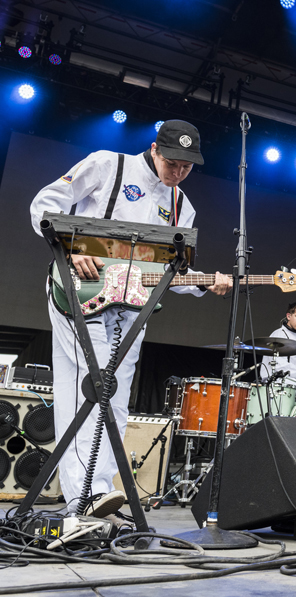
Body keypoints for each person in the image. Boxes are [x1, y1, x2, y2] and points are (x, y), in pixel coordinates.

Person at [30, 120, 231, 516]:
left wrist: (206, 282)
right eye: (172, 163)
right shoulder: (108, 164)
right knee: (87, 388)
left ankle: (100, 491)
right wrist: (69, 246)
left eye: (187, 167)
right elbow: (45, 204)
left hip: (131, 310)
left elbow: (169, 271)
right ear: (155, 149)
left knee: (116, 398)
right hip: (79, 292)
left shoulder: (181, 205)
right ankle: (84, 495)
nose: (178, 172)